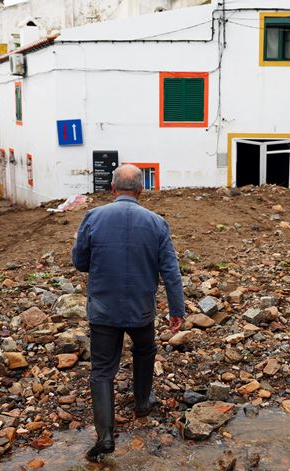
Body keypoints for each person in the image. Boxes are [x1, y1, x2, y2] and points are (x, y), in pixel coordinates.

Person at [71, 164, 185, 462]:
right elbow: (170, 271)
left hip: (103, 309)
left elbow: (79, 261)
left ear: (112, 188)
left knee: (102, 370)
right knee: (145, 350)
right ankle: (143, 402)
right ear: (140, 190)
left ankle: (105, 436)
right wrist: (177, 309)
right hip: (141, 307)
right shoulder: (157, 223)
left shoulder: (93, 216)